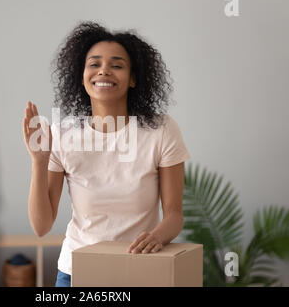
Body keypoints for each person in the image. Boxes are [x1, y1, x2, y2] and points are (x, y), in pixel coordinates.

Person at [22, 22, 190, 287]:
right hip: (76, 272)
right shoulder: (62, 135)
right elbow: (41, 226)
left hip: (139, 271)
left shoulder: (161, 130)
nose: (104, 71)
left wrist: (156, 237)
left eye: (117, 65)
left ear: (133, 78)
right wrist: (38, 162)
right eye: (94, 64)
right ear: (81, 75)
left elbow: (174, 215)